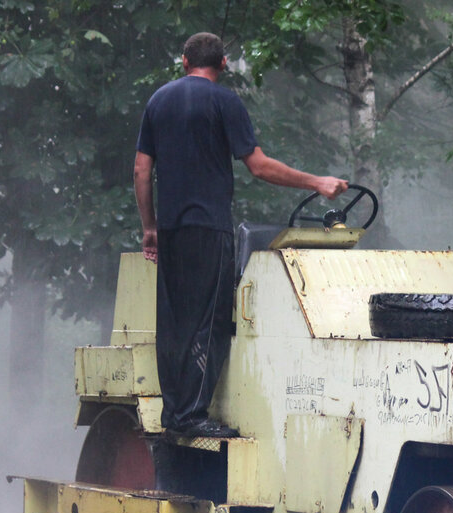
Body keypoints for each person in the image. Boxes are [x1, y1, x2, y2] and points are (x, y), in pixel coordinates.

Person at [134, 32, 348, 438]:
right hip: (209, 228)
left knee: (175, 322)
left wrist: (150, 228)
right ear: (224, 64)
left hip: (172, 229)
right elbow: (260, 167)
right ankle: (191, 418)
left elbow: (141, 170)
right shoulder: (225, 102)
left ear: (184, 61)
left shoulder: (158, 101)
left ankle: (174, 412)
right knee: (209, 320)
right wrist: (317, 183)